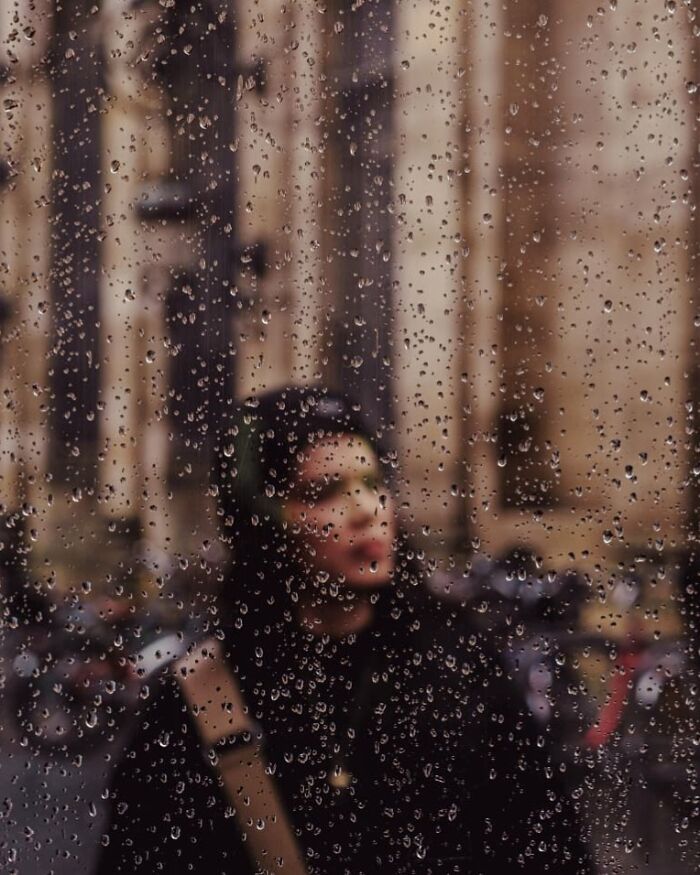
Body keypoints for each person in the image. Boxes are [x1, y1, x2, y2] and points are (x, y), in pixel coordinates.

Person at [95, 386, 594, 874]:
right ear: (262, 519)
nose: (366, 511)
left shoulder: (458, 668)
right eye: (323, 492)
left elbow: (547, 845)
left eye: (374, 483)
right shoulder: (200, 701)